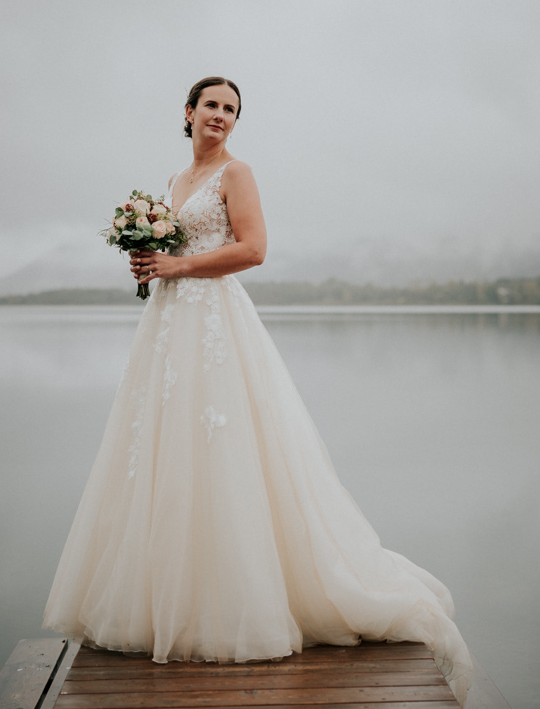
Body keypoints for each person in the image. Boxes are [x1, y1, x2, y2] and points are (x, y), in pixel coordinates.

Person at [43, 76, 472, 704]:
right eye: (211, 105)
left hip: (215, 322)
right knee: (162, 450)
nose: (220, 115)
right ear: (187, 112)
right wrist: (148, 260)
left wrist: (180, 264)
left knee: (226, 448)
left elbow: (254, 249)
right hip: (167, 326)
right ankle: (165, 598)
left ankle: (242, 600)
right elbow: (174, 249)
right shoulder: (172, 183)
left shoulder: (236, 174)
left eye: (231, 109)